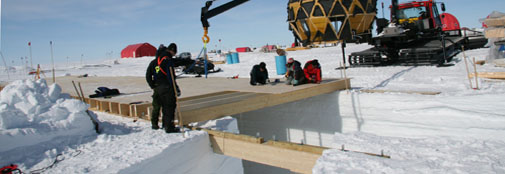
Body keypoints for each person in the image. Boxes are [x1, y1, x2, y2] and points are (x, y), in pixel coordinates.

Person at [146, 43, 180, 133]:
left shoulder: (154, 62)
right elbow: (170, 75)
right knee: (168, 106)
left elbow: (148, 76)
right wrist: (175, 87)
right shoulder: (167, 60)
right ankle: (168, 126)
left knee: (157, 105)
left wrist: (153, 86)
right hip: (167, 87)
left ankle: (155, 124)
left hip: (158, 87)